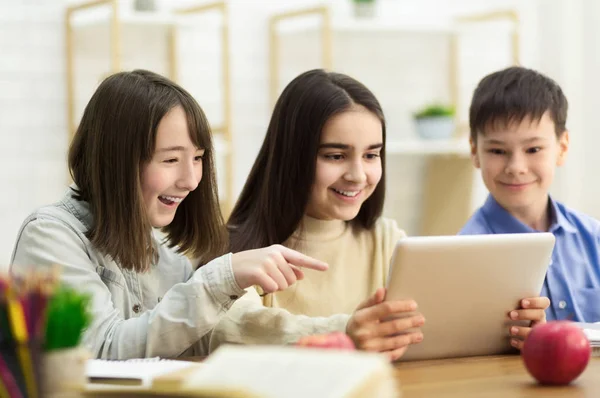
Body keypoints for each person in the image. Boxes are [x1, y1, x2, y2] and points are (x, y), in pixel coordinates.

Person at [10, 70, 329, 360]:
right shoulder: (50, 236)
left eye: (198, 158)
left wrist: (338, 332)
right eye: (170, 160)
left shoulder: (167, 260)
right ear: (116, 161)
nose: (190, 180)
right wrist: (221, 277)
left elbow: (216, 331)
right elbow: (102, 352)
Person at [209, 69, 427, 361]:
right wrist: (344, 333)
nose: (358, 175)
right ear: (292, 158)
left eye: (371, 155)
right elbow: (233, 328)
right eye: (335, 156)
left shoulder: (388, 241)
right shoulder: (236, 250)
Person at [459, 66, 600, 342]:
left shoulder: (594, 238)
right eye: (497, 151)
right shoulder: (465, 255)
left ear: (562, 147)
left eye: (533, 149)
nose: (516, 167)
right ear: (475, 152)